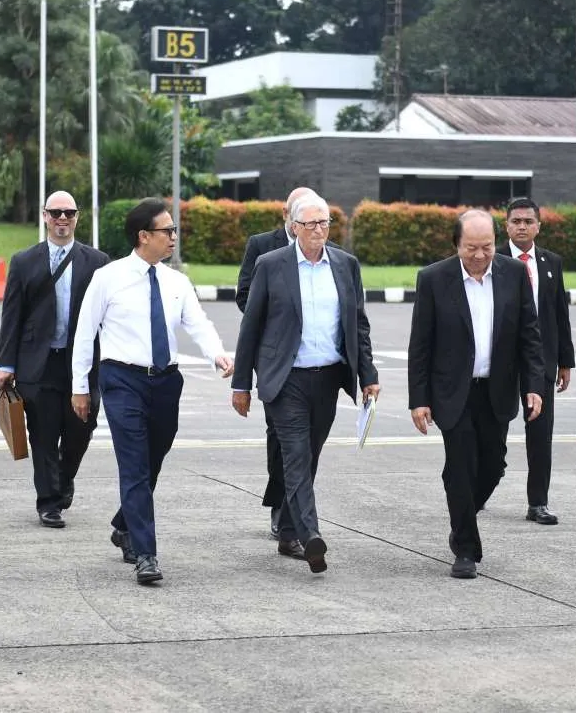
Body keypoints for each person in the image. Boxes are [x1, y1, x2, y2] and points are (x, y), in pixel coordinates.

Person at [71, 199, 234, 585]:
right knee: (134, 465)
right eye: (167, 231)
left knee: (152, 460)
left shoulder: (176, 282)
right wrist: (80, 388)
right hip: (121, 379)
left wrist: (217, 353)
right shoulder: (108, 278)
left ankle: (124, 524)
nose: (174, 237)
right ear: (144, 236)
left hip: (165, 382)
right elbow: (84, 332)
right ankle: (146, 554)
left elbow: (198, 323)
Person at [231, 192, 380, 574]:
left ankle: (285, 529)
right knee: (296, 456)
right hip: (286, 380)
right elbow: (250, 328)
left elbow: (357, 325)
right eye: (312, 223)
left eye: (326, 222)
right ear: (294, 227)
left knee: (308, 456)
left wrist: (369, 376)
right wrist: (241, 384)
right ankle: (309, 535)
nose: (320, 230)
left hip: (328, 378)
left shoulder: (346, 265)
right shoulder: (271, 264)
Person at [407, 209, 545, 579]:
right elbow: (420, 344)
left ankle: (461, 516)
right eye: (472, 248)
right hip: (453, 392)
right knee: (460, 466)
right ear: (456, 245)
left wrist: (533, 385)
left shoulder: (514, 275)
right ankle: (466, 548)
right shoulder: (434, 279)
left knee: (493, 465)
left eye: (487, 247)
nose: (480, 255)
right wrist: (418, 399)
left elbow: (529, 336)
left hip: (496, 389)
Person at [0, 192, 110, 527]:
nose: (63, 219)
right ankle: (48, 502)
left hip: (82, 365)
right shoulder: (24, 261)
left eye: (69, 213)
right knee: (42, 435)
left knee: (81, 428)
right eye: (56, 213)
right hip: (37, 364)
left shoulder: (97, 262)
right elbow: (11, 316)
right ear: (45, 216)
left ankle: (64, 477)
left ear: (77, 217)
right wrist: (6, 364)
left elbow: (108, 315)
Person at [236, 185, 314, 539]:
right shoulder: (261, 245)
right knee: (278, 435)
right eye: (301, 216)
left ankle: (285, 503)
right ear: (287, 216)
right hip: (273, 359)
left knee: (303, 441)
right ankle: (280, 505)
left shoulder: (323, 250)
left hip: (313, 363)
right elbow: (244, 296)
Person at [499, 198, 575, 525]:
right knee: (492, 434)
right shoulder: (493, 259)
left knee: (540, 435)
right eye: (516, 221)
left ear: (538, 226)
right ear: (506, 226)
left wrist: (564, 362)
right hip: (501, 364)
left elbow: (560, 314)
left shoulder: (550, 262)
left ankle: (538, 502)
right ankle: (481, 487)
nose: (521, 226)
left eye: (528, 221)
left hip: (540, 364)